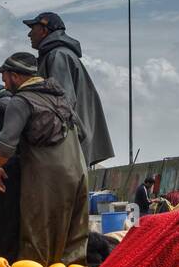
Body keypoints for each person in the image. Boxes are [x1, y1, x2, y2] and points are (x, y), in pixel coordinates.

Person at [0, 51, 89, 265]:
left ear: (15, 75)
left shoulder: (22, 100)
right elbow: (82, 133)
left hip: (49, 176)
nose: (3, 83)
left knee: (38, 234)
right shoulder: (60, 97)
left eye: (4, 76)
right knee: (74, 238)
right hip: (79, 172)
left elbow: (6, 142)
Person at [24, 11, 114, 166]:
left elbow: (62, 103)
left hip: (69, 147)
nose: (29, 33)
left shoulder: (57, 55)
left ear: (45, 30)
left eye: (33, 28)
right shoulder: (58, 54)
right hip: (73, 144)